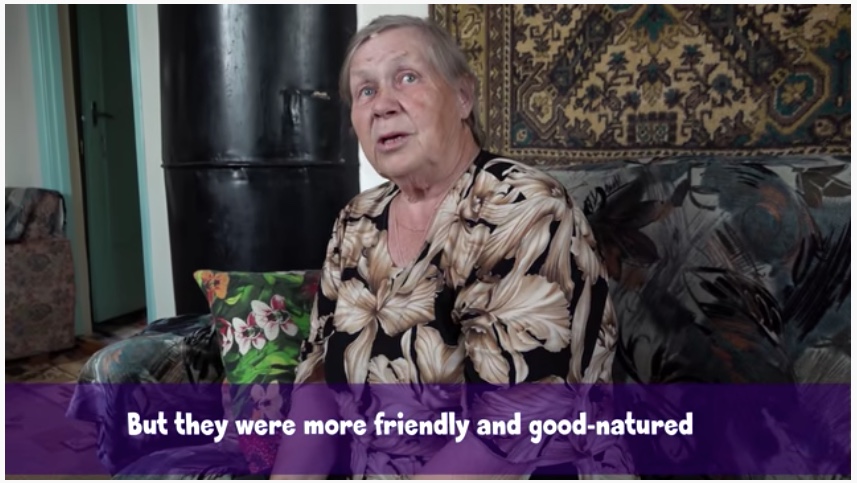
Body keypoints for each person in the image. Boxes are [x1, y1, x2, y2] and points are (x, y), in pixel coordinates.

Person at [271, 15, 626, 479]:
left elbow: (511, 432)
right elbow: (317, 377)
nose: (382, 106)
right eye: (365, 90)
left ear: (463, 97)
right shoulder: (356, 220)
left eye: (407, 77)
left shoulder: (524, 207)